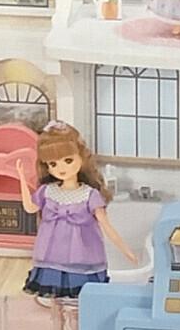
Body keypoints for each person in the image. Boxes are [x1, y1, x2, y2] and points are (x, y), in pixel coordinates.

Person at [16, 121, 137, 296]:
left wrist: (126, 250)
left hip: (82, 257)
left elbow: (106, 226)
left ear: (82, 158)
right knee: (54, 300)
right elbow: (29, 208)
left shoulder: (89, 195)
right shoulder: (47, 191)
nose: (61, 168)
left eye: (68, 160)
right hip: (51, 256)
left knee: (81, 298)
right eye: (53, 164)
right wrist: (21, 178)